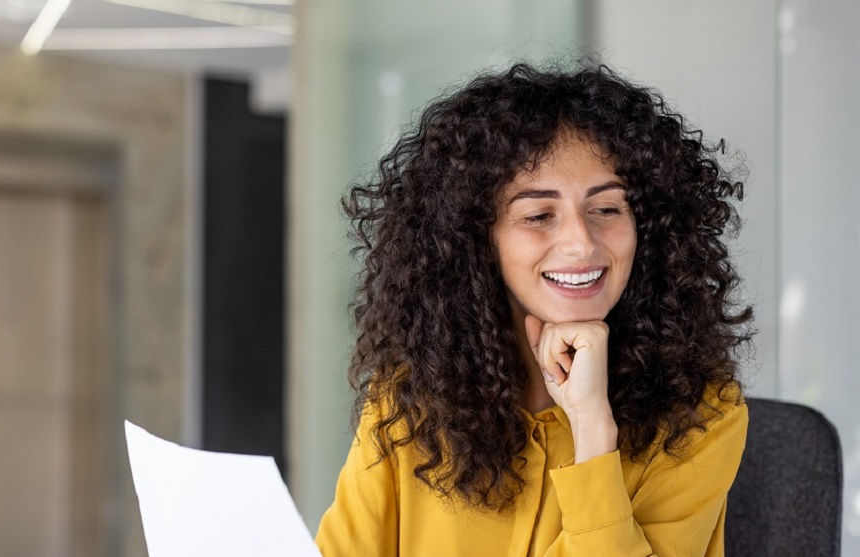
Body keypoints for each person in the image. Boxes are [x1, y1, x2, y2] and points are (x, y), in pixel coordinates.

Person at [315, 62, 755, 557]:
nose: (580, 243)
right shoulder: (407, 399)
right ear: (476, 239)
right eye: (539, 215)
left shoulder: (701, 415)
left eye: (606, 209)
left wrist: (592, 427)